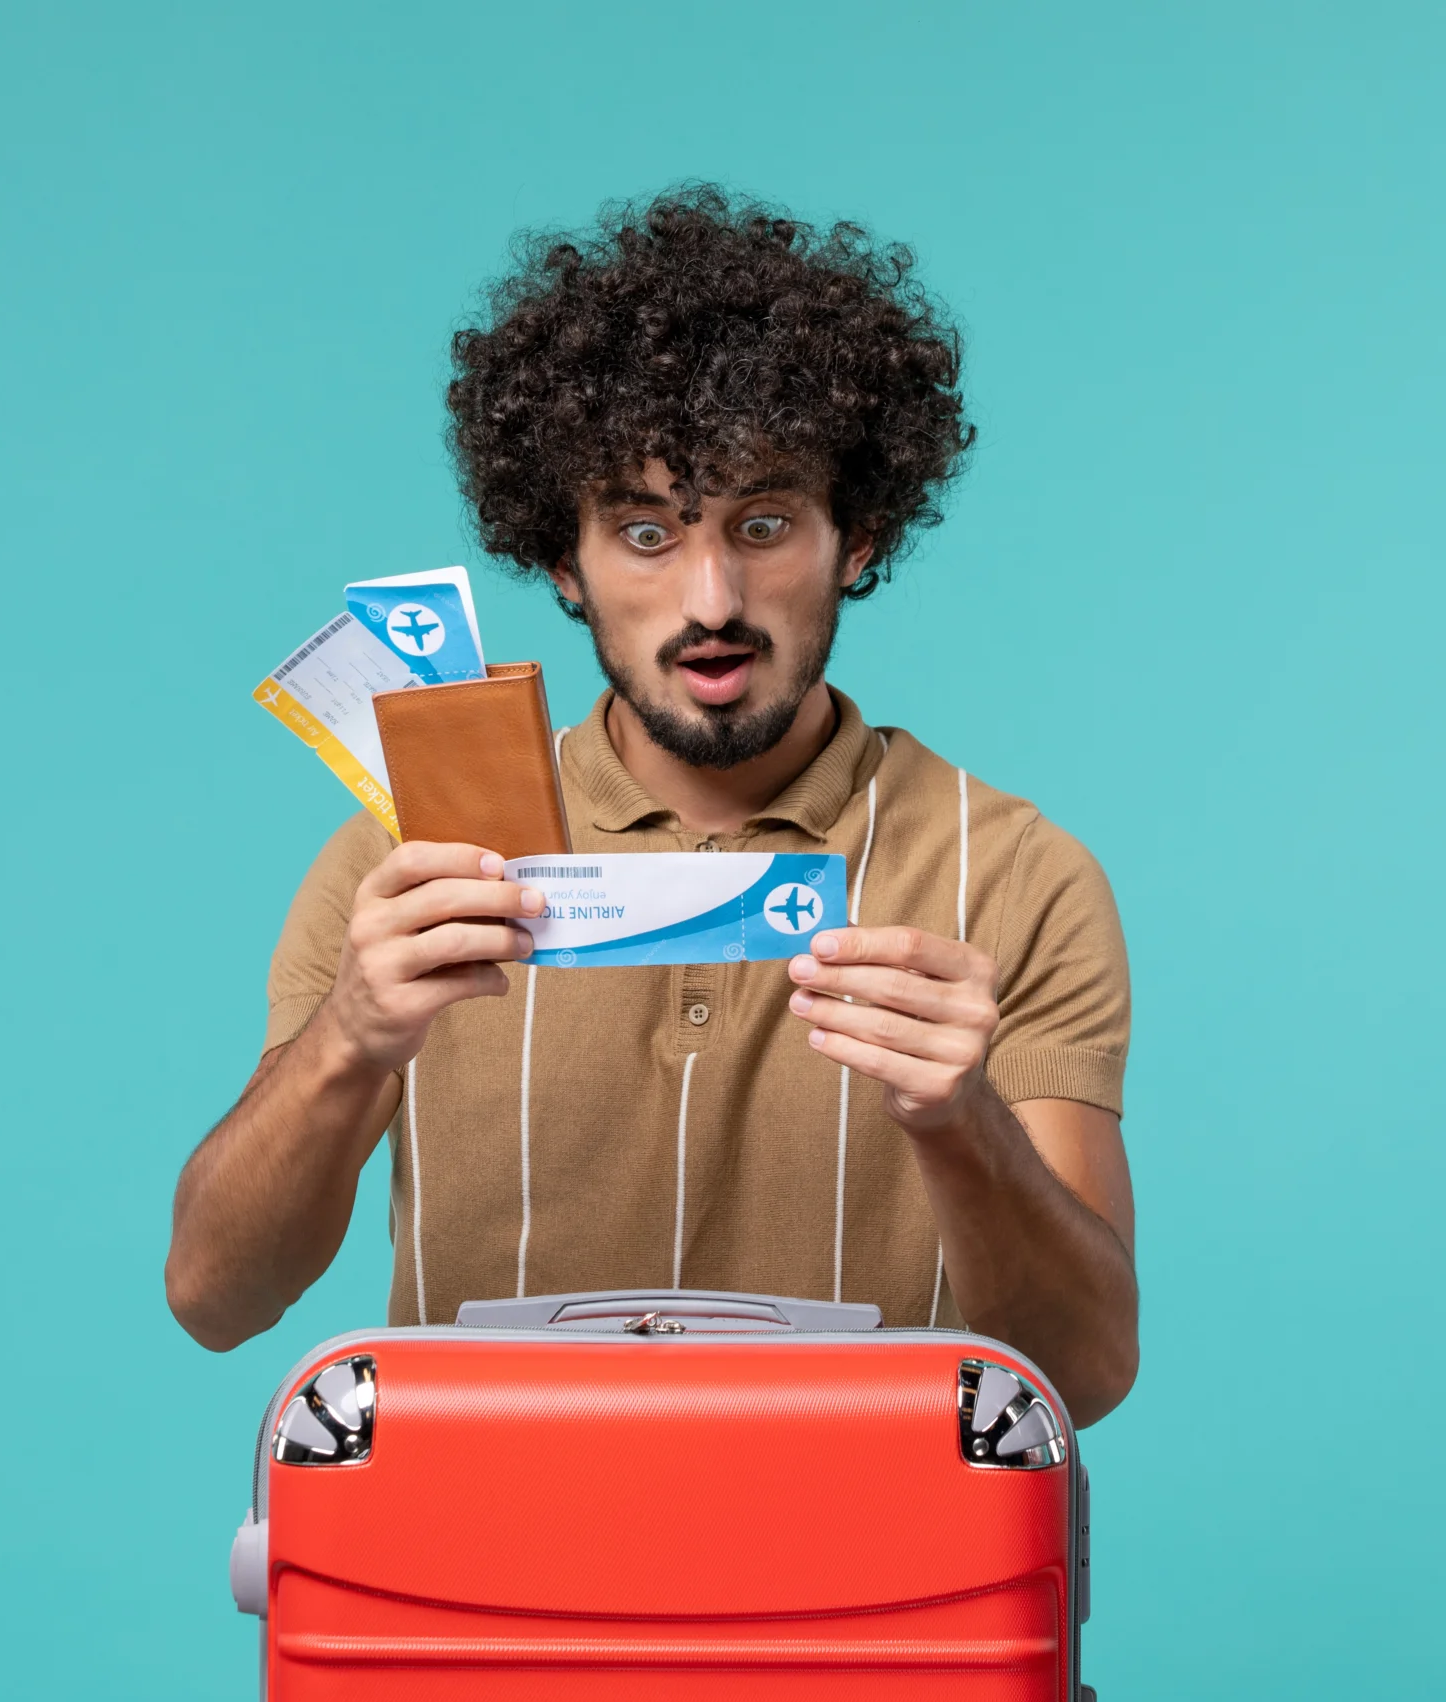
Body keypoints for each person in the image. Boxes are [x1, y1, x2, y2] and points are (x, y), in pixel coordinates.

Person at [166, 187, 1138, 1425]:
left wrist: (960, 1122)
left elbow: (1085, 1375)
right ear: (561, 562)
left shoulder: (1019, 878)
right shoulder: (405, 860)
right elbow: (214, 1296)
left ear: (858, 538)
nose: (712, 598)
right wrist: (350, 1036)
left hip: (870, 1542)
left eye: (764, 524)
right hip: (482, 1539)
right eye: (644, 533)